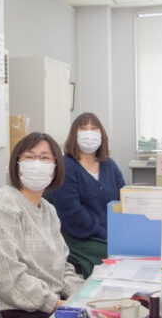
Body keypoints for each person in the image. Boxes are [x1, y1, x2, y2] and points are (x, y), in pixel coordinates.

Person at [0, 132, 84, 318]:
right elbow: (7, 278)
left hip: (45, 303)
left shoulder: (48, 210)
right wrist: (56, 304)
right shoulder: (2, 207)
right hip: (10, 308)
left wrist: (83, 295)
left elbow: (62, 267)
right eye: (29, 157)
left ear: (55, 168)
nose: (37, 163)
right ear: (17, 165)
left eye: (45, 158)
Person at [52, 112, 126, 277]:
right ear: (74, 135)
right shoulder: (66, 166)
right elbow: (73, 213)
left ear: (101, 134)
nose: (89, 133)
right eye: (83, 128)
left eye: (94, 128)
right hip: (80, 237)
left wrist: (123, 231)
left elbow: (124, 200)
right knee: (117, 258)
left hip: (110, 234)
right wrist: (104, 235)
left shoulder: (109, 165)